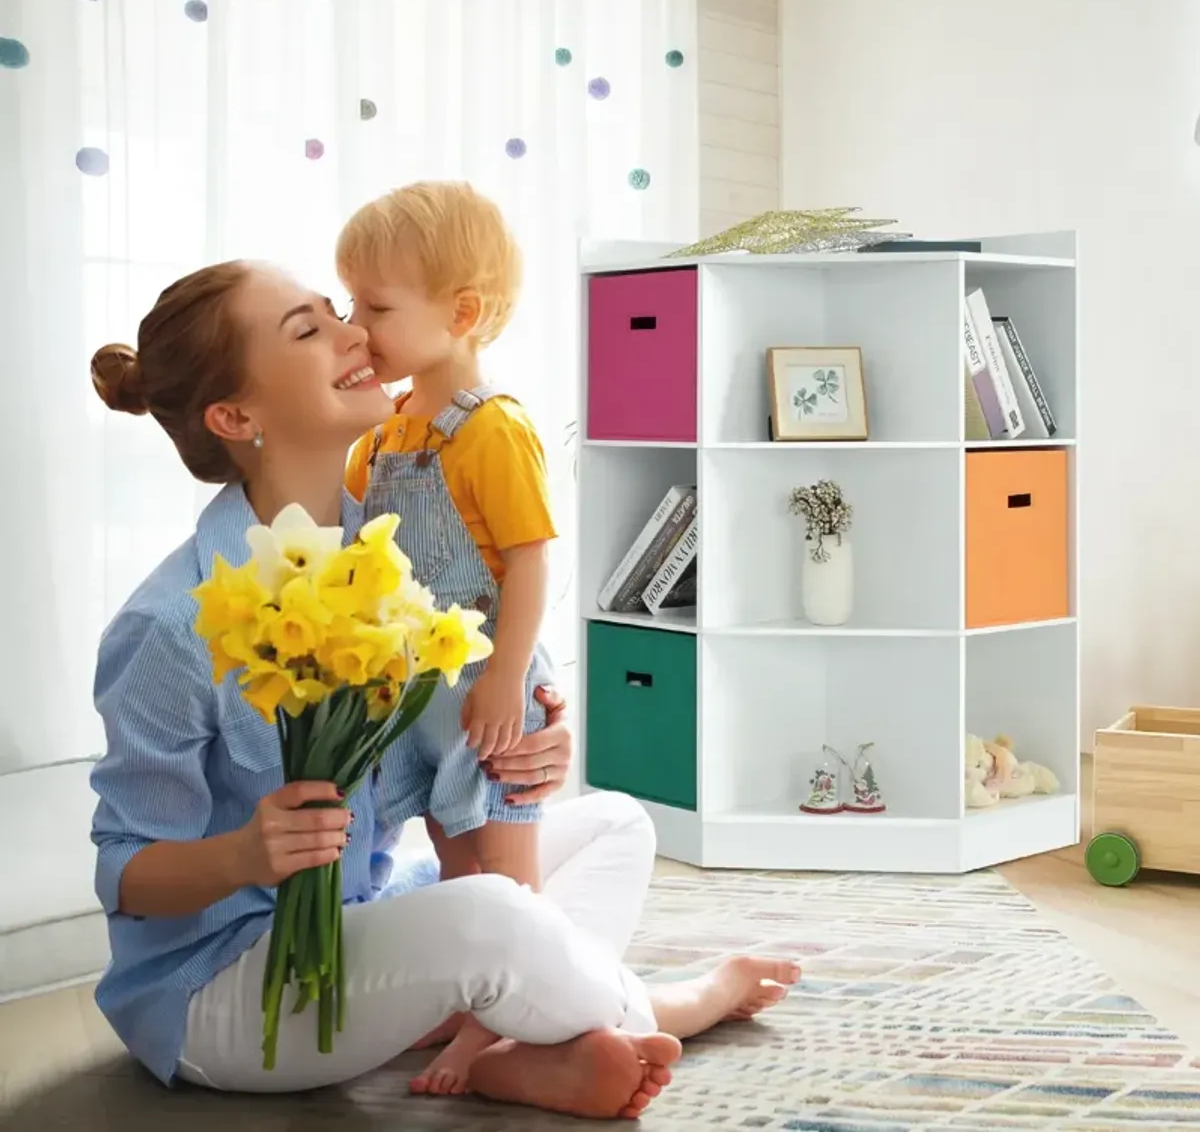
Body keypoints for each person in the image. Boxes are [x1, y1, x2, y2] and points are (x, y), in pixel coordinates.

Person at [88, 259, 800, 1118]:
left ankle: (505, 1047)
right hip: (226, 988)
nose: (356, 333)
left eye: (335, 310)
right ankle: (681, 1005)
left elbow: (440, 760)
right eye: (309, 331)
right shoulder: (171, 624)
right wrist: (245, 855)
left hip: (363, 912)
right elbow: (126, 871)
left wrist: (526, 745)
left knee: (616, 823)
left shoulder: (398, 563)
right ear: (237, 416)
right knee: (492, 916)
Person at [338, 181, 554, 1092]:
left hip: (482, 680)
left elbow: (531, 559)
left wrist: (506, 679)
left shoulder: (491, 430)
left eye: (376, 308)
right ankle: (474, 1006)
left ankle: (516, 1017)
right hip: (417, 692)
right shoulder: (384, 436)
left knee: (504, 870)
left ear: (461, 312)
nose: (357, 328)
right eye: (350, 304)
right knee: (455, 856)